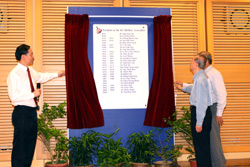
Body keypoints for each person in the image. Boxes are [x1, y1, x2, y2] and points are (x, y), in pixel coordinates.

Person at [7, 44, 65, 167]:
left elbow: (41, 77)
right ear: (23, 56)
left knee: (29, 146)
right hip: (21, 112)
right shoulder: (14, 74)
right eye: (31, 54)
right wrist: (32, 94)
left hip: (31, 113)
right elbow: (13, 97)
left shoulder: (30, 71)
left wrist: (57, 74)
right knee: (20, 148)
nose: (33, 57)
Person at [175, 54, 212, 167]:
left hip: (200, 114)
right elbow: (195, 89)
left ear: (196, 64)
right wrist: (183, 86)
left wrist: (199, 122)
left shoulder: (200, 80)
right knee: (202, 147)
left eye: (192, 61)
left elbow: (201, 103)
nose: (190, 63)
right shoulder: (200, 78)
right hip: (202, 113)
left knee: (201, 148)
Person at [198, 51, 227, 167]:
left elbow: (222, 94)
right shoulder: (202, 74)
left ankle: (219, 165)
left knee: (214, 140)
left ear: (206, 60)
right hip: (205, 108)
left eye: (199, 59)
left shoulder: (215, 74)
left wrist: (219, 113)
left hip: (212, 109)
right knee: (207, 140)